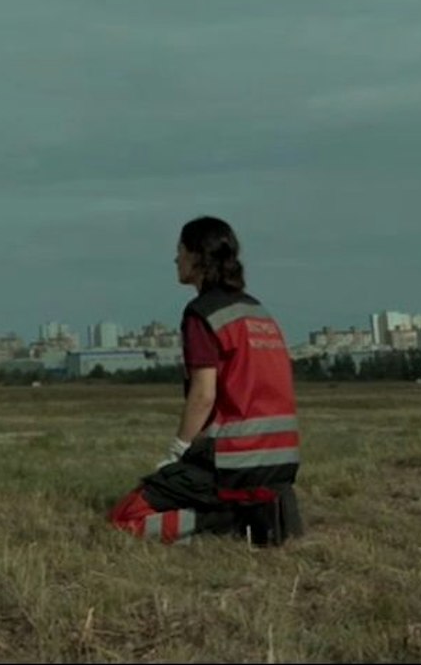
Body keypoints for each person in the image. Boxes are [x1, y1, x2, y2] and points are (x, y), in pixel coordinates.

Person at [108, 215, 304, 546]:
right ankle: (259, 513)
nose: (176, 259)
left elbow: (203, 395)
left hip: (233, 460)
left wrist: (177, 451)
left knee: (124, 518)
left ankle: (227, 523)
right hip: (281, 463)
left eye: (180, 251)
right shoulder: (257, 312)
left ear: (197, 257)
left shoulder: (203, 313)